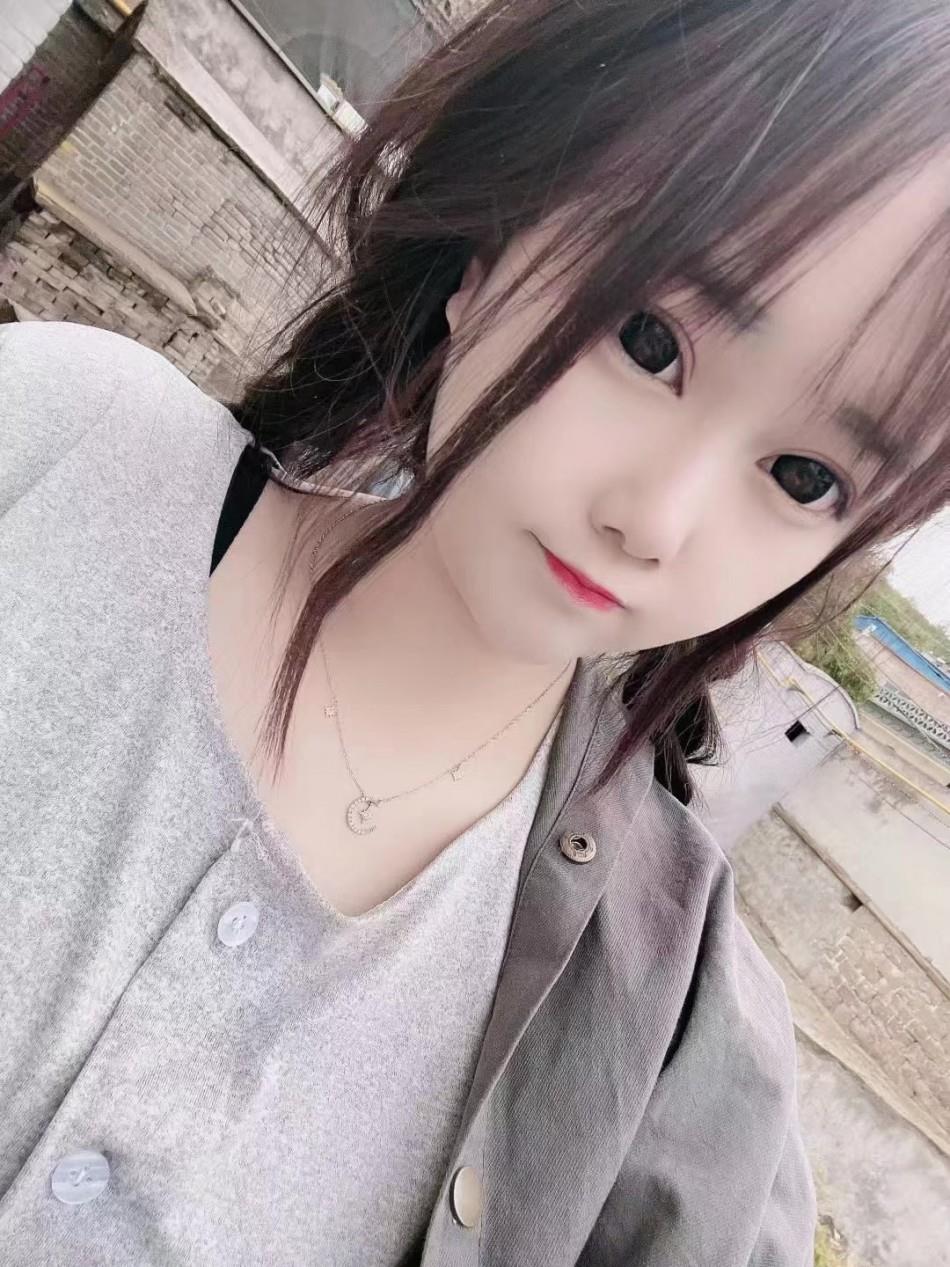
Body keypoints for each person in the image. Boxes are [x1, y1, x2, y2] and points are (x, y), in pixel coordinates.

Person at [2, 0, 949, 1262]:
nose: (653, 520)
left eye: (802, 478)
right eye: (649, 341)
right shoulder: (58, 447)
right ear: (494, 245)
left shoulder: (663, 1030)